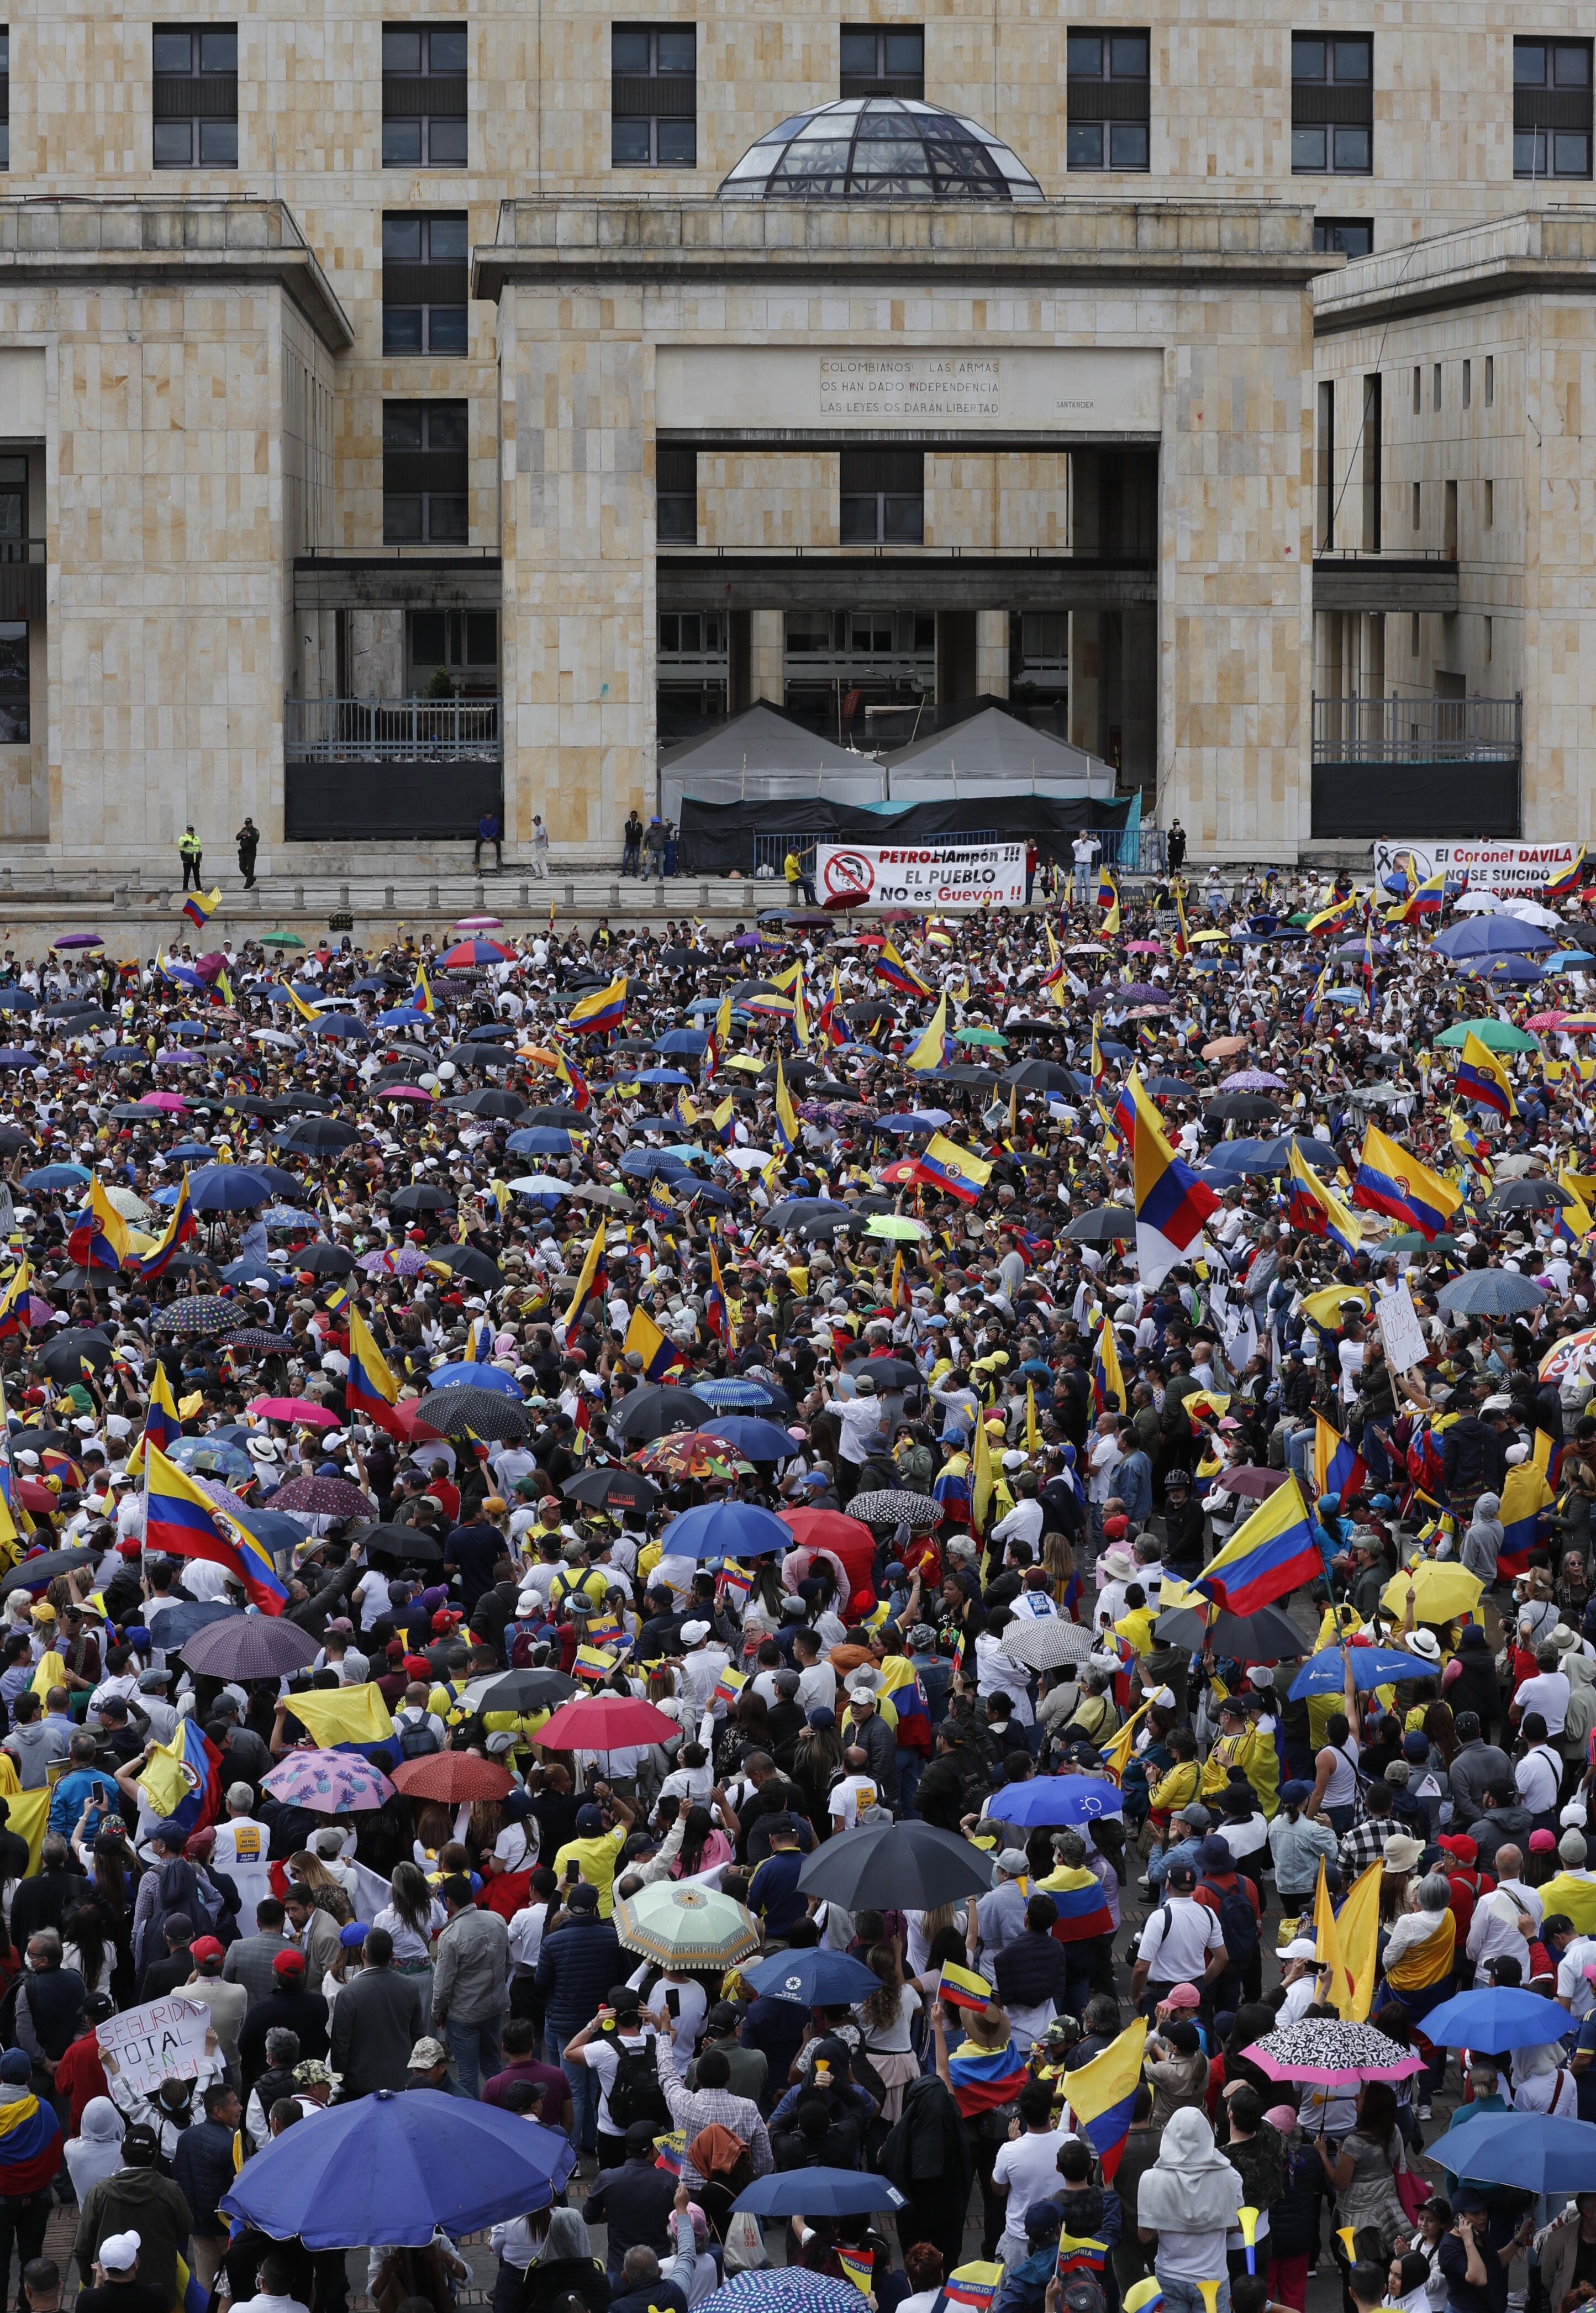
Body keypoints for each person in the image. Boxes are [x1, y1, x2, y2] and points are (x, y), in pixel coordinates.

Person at [1135, 2107, 1244, 2313]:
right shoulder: (1229, 2175)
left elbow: (1144, 2236)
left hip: (1170, 2275)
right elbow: (1240, 2226)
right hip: (1212, 2277)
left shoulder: (1151, 2179)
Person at [330, 1927, 428, 2099]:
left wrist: (342, 2080)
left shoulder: (349, 1994)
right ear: (392, 1955)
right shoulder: (410, 1988)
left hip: (361, 2085)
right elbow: (417, 2036)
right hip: (401, 2080)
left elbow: (341, 2047)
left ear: (363, 1953)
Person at [235, 817, 259, 888]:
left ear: (251, 824)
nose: (247, 826)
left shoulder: (255, 831)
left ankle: (248, 883)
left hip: (251, 853)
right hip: (243, 853)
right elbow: (237, 838)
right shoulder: (244, 830)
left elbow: (256, 840)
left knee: (250, 868)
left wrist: (248, 835)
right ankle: (251, 878)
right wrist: (242, 835)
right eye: (246, 824)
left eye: (248, 824)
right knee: (242, 867)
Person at [178, 826, 203, 890]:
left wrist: (200, 856)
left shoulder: (197, 838)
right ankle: (185, 887)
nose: (191, 832)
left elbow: (199, 847)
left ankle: (199, 887)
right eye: (190, 830)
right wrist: (187, 843)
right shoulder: (183, 837)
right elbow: (180, 845)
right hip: (187, 859)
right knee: (187, 875)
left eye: (192, 830)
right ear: (187, 830)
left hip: (195, 859)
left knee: (197, 874)